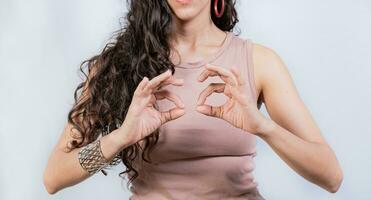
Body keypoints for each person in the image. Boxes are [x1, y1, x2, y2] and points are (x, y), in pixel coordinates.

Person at [43, 0, 343, 199]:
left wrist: (264, 127)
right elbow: (54, 176)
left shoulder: (259, 62)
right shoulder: (119, 64)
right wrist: (121, 137)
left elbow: (331, 176)